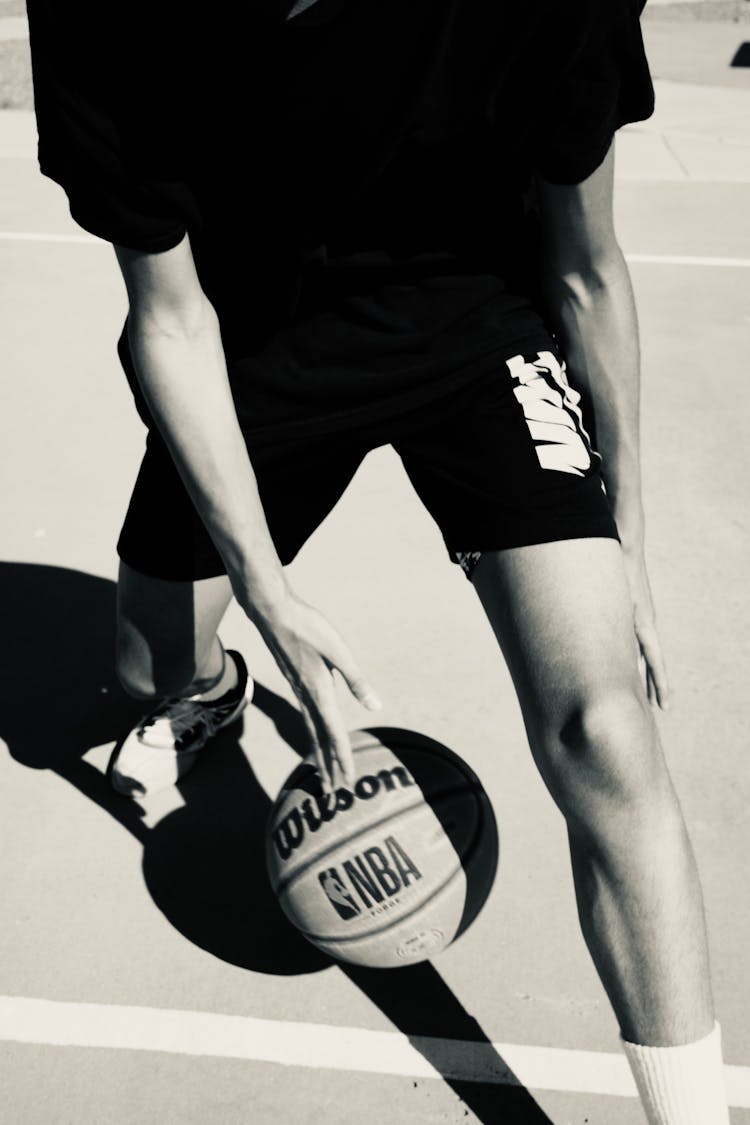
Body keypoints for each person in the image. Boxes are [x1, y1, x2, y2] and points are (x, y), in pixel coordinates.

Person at [26, 0, 730, 1120]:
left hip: (474, 318)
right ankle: (208, 695)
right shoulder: (115, 15)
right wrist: (267, 589)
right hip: (254, 337)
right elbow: (168, 318)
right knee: (145, 666)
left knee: (605, 722)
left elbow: (587, 265)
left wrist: (624, 533)